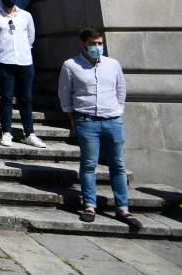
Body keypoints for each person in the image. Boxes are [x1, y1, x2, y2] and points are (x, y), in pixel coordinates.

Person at [58, 28, 141, 229]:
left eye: (99, 43)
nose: (97, 47)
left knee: (118, 164)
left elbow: (121, 89)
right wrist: (71, 116)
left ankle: (123, 207)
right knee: (88, 164)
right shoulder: (71, 65)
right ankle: (89, 205)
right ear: (83, 45)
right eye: (93, 44)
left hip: (112, 120)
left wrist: (118, 110)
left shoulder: (112, 65)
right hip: (87, 120)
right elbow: (65, 92)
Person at [0, 0, 45, 148]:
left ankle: (29, 133)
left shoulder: (25, 16)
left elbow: (31, 37)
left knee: (26, 98)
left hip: (25, 60)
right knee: (7, 98)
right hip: (4, 60)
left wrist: (24, 50)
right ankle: (6, 132)